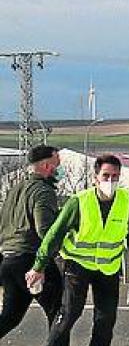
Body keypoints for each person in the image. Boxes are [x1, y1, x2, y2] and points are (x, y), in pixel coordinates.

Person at [26, 154, 129, 346]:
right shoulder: (79, 202)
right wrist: (38, 266)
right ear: (95, 178)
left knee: (105, 320)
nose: (110, 181)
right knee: (69, 314)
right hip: (77, 265)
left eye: (115, 177)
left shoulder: (127, 201)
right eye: (106, 176)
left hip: (108, 267)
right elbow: (54, 235)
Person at [0, 145, 64, 339]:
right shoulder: (43, 192)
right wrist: (59, 251)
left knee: (11, 316)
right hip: (32, 259)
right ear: (46, 166)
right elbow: (45, 230)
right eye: (56, 165)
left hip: (8, 261)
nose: (58, 170)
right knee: (60, 313)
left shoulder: (14, 190)